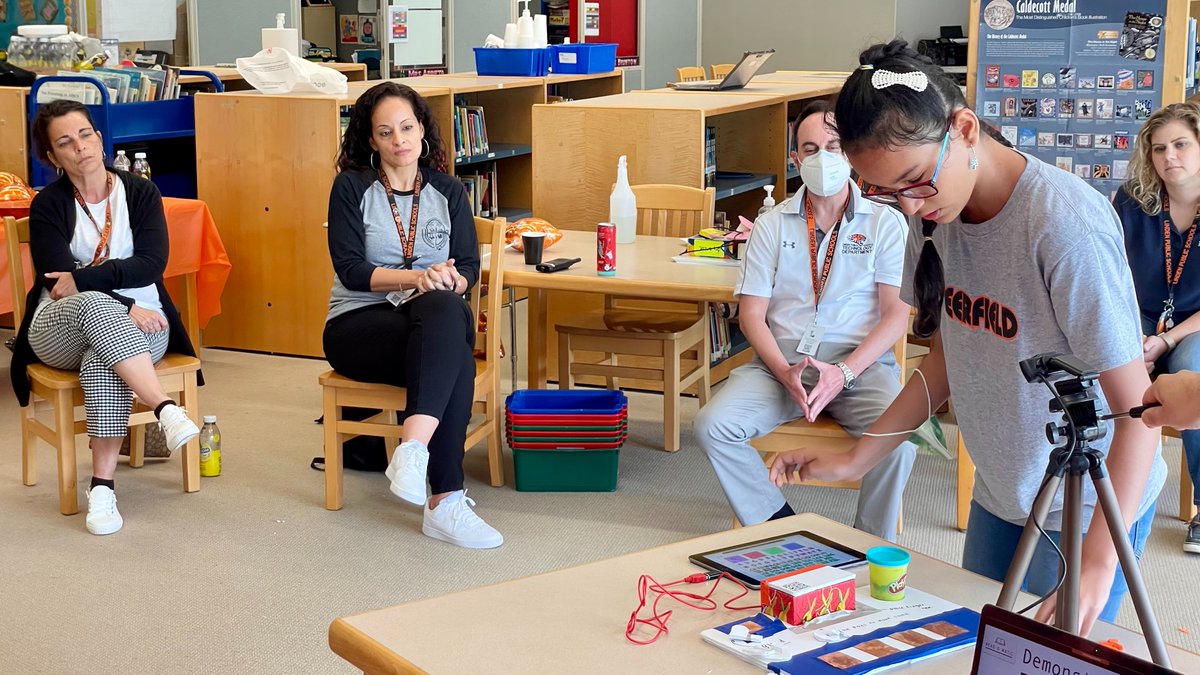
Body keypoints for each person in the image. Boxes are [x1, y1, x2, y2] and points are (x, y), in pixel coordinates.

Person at [769, 41, 1164, 636]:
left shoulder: (1062, 225)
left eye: (914, 181)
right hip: (1004, 487)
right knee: (983, 642)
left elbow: (1139, 411)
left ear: (965, 129)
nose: (907, 204)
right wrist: (857, 457)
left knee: (1048, 654)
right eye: (883, 191)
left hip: (1084, 501)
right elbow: (947, 359)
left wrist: (1101, 560)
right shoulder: (933, 219)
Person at [694, 100, 916, 542]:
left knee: (901, 441)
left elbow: (896, 315)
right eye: (810, 148)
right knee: (712, 425)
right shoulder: (770, 225)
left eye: (833, 146)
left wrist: (846, 371)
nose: (822, 158)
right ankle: (780, 528)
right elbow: (752, 314)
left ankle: (867, 542)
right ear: (796, 160)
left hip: (860, 367)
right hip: (782, 366)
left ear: (852, 152)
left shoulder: (887, 224)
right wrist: (783, 369)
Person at [11, 99, 202, 536]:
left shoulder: (140, 191)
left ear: (99, 138)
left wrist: (86, 278)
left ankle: (102, 489)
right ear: (51, 157)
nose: (79, 147)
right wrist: (123, 301)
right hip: (59, 326)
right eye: (65, 142)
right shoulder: (48, 205)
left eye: (84, 135)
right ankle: (165, 407)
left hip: (146, 325)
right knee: (96, 308)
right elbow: (59, 284)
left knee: (104, 357)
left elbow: (152, 264)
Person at [324, 81, 501, 549]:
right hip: (358, 326)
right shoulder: (351, 187)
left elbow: (468, 268)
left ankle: (415, 451)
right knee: (453, 344)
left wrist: (448, 280)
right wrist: (417, 279)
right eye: (386, 132)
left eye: (406, 127)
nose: (399, 140)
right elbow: (351, 270)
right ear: (371, 141)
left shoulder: (448, 190)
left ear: (422, 129)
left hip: (427, 322)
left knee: (447, 312)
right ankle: (443, 498)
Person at [1113, 102, 1200, 554]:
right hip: (1136, 313)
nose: (1170, 157)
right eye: (1159, 148)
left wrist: (1165, 339)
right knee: (1106, 357)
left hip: (1193, 325)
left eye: (1182, 144)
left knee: (1191, 373)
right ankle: (1106, 489)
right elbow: (1111, 276)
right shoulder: (1132, 200)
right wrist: (1132, 333)